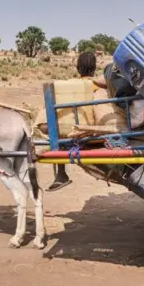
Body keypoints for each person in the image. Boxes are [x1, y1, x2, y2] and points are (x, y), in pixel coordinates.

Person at [47, 51, 105, 192]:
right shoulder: (99, 86)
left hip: (72, 137)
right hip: (98, 136)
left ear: (77, 68)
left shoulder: (69, 88)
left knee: (60, 128)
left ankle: (61, 174)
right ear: (94, 68)